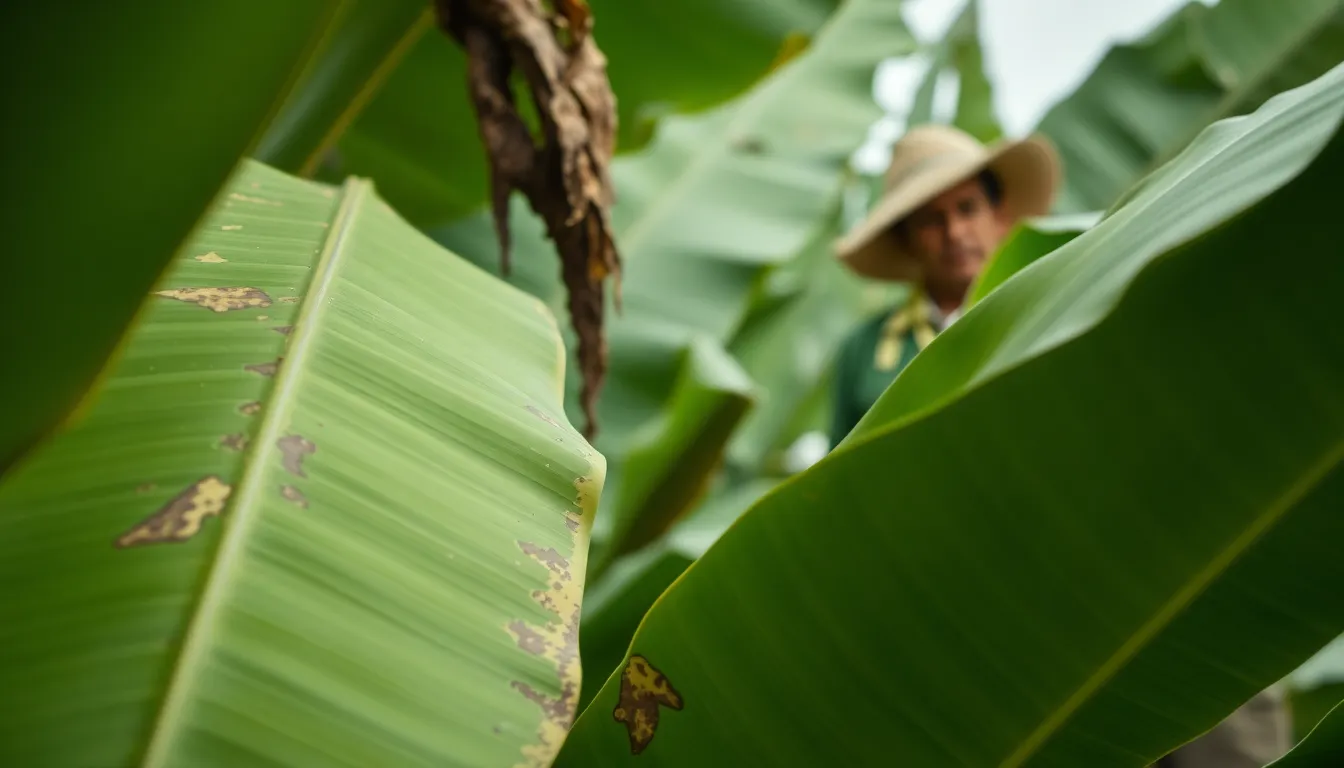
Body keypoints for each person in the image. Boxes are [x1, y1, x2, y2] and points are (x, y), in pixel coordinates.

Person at [828, 123, 1292, 767]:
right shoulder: (867, 353)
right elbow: (838, 492)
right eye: (932, 220)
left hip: (1115, 555)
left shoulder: (1063, 290)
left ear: (1000, 214)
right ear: (908, 239)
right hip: (967, 605)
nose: (956, 232)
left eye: (967, 208)